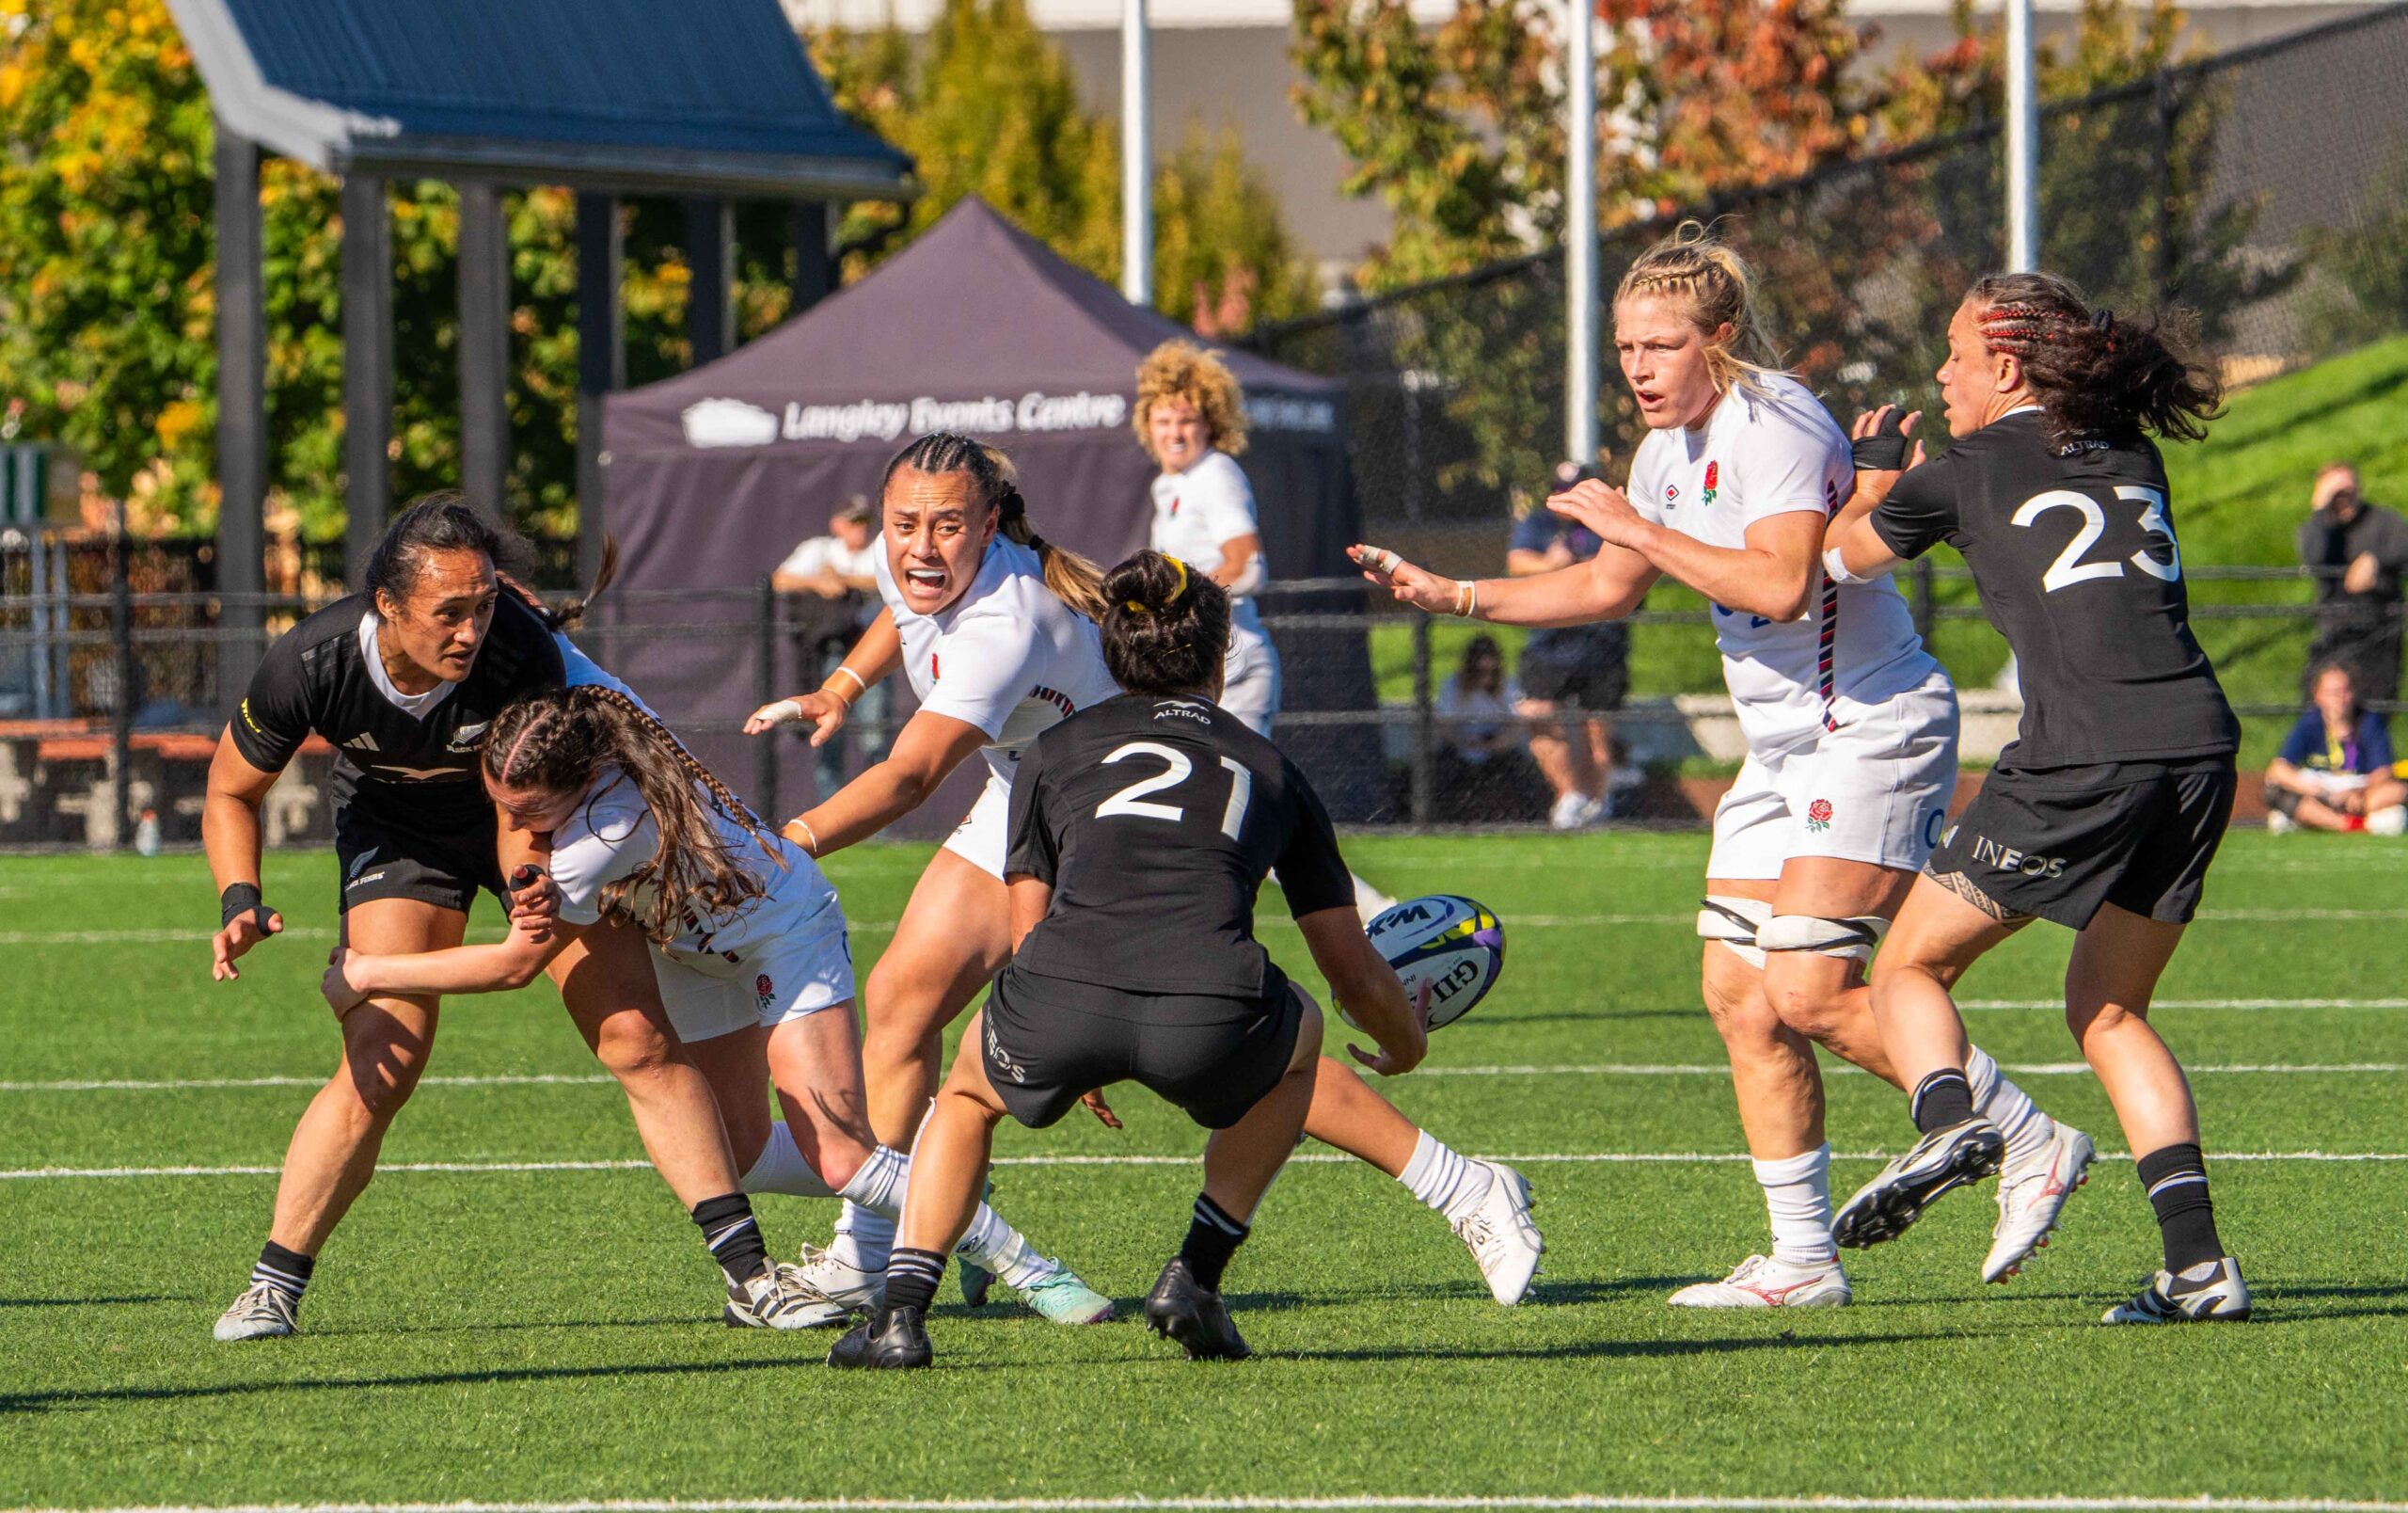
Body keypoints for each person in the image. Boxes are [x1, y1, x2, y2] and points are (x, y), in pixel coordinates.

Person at [1353, 223, 2082, 1308]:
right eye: (1627, 349)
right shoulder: (1659, 456)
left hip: (1868, 721)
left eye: (1661, 344)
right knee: (1741, 997)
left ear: (1720, 339)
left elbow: (1782, 583)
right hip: (1782, 747)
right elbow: (1604, 589)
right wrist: (1455, 595)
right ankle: (1800, 1262)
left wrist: (1637, 535)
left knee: (1810, 987)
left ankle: (2026, 1138)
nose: (1639, 368)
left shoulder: (1773, 418)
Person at [748, 433, 1543, 1316]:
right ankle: (874, 1248)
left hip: (1118, 815)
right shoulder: (934, 560)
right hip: (1031, 796)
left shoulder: (1003, 631)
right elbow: (898, 606)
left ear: (992, 525)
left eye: (944, 527)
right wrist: (843, 689)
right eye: (904, 525)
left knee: (1231, 1031)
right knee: (901, 1001)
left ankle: (1463, 1186)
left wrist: (785, 844)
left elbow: (907, 776)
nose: (919, 548)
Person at [203, 495, 816, 1340]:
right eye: (448, 612)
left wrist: (527, 878)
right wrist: (240, 898)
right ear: (387, 605)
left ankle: (752, 1278)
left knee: (636, 1038)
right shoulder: (309, 662)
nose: (470, 629)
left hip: (522, 818)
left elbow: (519, 802)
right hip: (399, 834)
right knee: (386, 1056)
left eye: (484, 605)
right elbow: (232, 791)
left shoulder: (520, 651)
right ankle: (272, 1286)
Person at [828, 552, 1430, 1368]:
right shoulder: (1274, 772)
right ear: (1222, 660)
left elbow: (1028, 928)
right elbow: (1351, 970)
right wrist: (1405, 1041)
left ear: (1112, 655)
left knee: (964, 1095)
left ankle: (898, 1318)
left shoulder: (1049, 752)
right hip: (1211, 1014)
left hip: (1059, 1000)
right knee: (1303, 1047)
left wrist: (1075, 1035)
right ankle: (1195, 1277)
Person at [317, 683, 1068, 1329]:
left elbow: (514, 966)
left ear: (581, 782)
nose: (513, 824)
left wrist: (369, 969)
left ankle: (1027, 1265)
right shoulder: (606, 725)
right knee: (736, 1151)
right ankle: (941, 1171)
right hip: (697, 954)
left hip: (785, 935)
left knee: (839, 1156)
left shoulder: (596, 836)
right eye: (500, 802)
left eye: (528, 808)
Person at [1821, 272, 2253, 1324]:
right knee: (2107, 1010)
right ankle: (2199, 1270)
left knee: (1907, 966)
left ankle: (1947, 1119)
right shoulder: (2128, 450)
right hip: (2198, 749)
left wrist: (1879, 478)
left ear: (2004, 367)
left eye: (1955, 353)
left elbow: (1836, 563)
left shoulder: (1960, 471)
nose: (1940, 373)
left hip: (2083, 755)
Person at [1137, 339, 1395, 919]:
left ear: (1212, 424)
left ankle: (1377, 918)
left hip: (1234, 666)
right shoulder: (1170, 485)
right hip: (1196, 671)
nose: (1175, 431)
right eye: (1163, 419)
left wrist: (1181, 600)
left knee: (1240, 820)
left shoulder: (1214, 474)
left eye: (1188, 419)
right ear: (1146, 424)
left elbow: (1249, 567)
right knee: (1217, 816)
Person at [1508, 462, 1639, 828]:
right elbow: (1517, 561)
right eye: (1561, 490)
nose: (1568, 498)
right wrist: (1551, 565)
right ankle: (1570, 797)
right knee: (1537, 716)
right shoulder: (1540, 523)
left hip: (1601, 644)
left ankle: (1598, 805)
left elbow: (1629, 567)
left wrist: (1587, 567)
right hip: (1549, 645)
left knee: (1597, 733)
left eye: (1576, 490)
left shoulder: (1610, 523)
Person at [775, 498, 890, 795]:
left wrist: (843, 579)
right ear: (837, 524)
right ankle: (830, 808)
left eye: (864, 523)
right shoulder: (819, 549)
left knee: (874, 734)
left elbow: (889, 580)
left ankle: (876, 814)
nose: (859, 530)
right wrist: (818, 583)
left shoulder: (879, 549)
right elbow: (779, 580)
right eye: (853, 523)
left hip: (874, 656)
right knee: (828, 731)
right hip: (832, 655)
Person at [2297, 463, 2408, 719]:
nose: (2343, 498)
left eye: (2347, 490)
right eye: (2334, 493)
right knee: (2319, 714)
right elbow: (2314, 559)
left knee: (2374, 715)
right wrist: (2320, 510)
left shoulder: (2383, 521)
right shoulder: (2319, 530)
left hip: (2379, 632)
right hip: (2333, 634)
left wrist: (2377, 560)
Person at [2264, 661, 2407, 835]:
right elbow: (2278, 768)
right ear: (2318, 696)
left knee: (2398, 790)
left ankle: (2317, 820)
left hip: (2358, 790)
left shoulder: (2369, 722)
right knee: (2275, 791)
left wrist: (2357, 792)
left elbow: (2383, 772)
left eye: (2345, 691)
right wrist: (2314, 791)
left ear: (2353, 693)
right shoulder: (2310, 723)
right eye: (2331, 693)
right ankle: (2351, 824)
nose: (2339, 699)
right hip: (2319, 789)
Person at [1434, 634, 1547, 823]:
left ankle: (1535, 820)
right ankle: (1442, 820)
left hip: (1495, 747)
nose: (1486, 678)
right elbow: (1444, 727)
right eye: (1479, 672)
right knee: (1441, 776)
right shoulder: (1452, 686)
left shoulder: (1507, 685)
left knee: (1526, 777)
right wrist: (1464, 743)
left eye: (1491, 672)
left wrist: (1498, 743)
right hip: (1460, 746)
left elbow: (1518, 723)